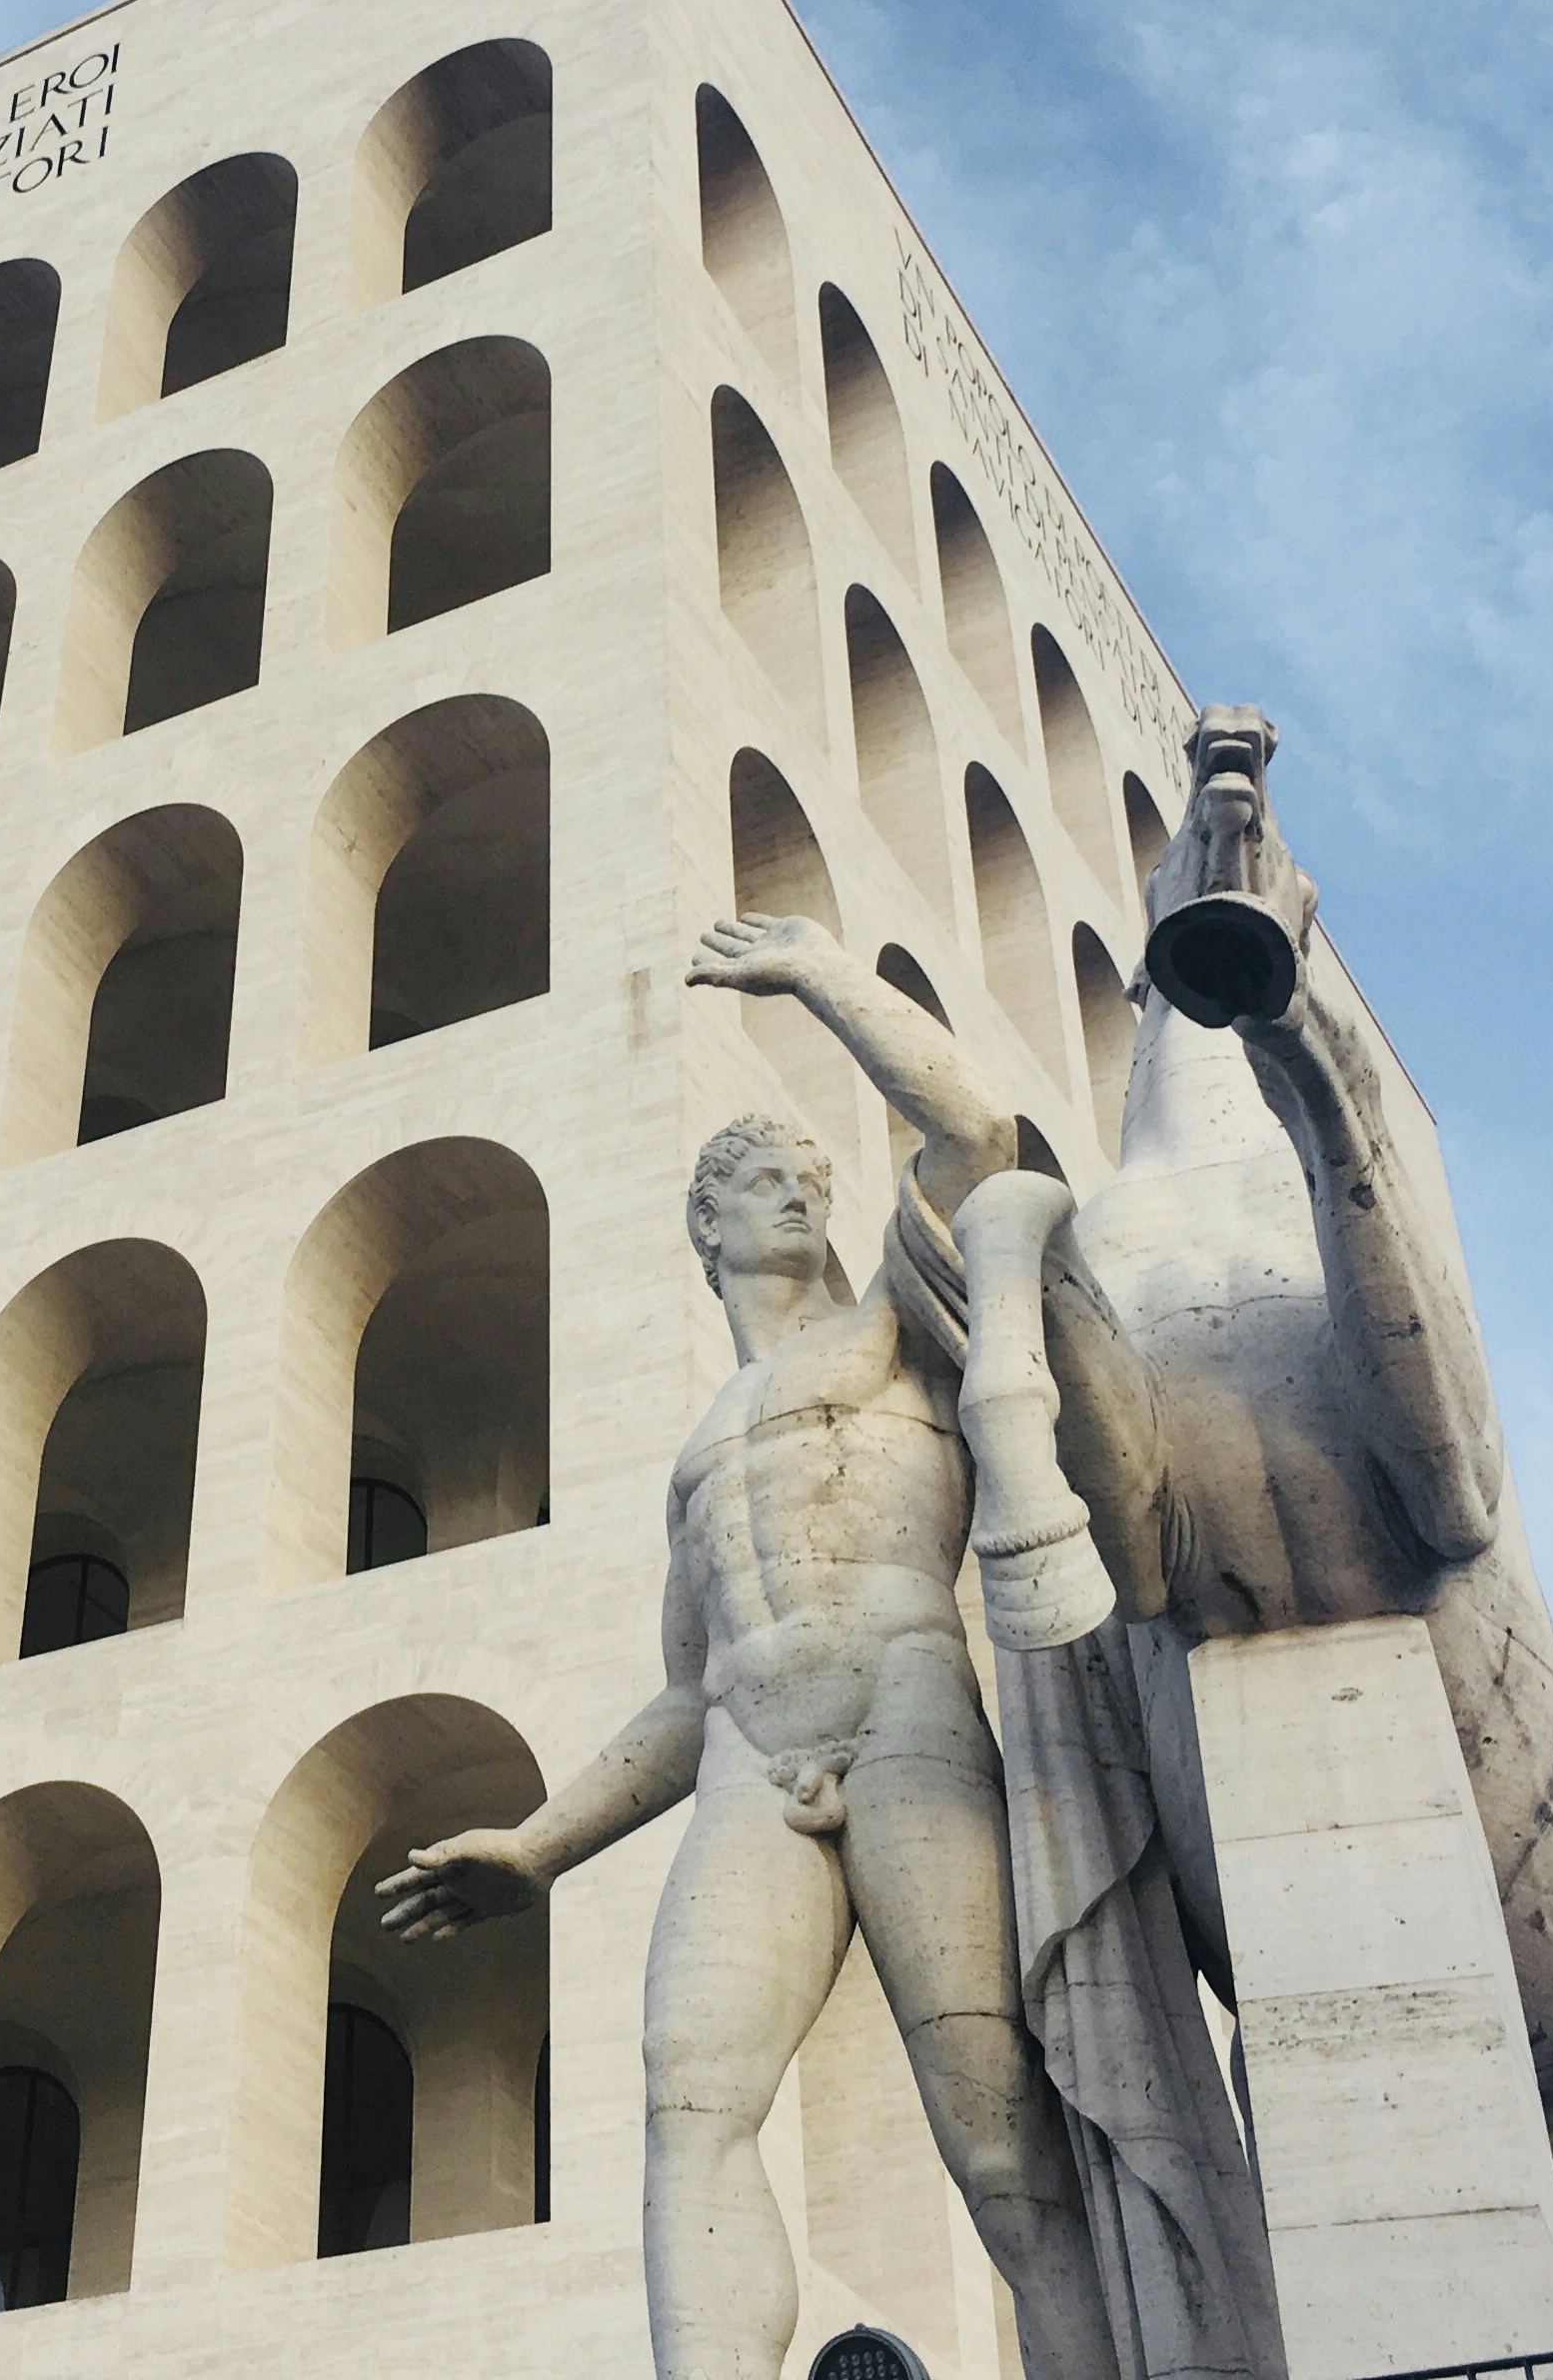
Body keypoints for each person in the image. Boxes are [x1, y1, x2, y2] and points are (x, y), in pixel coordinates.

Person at [377, 915, 1118, 2380]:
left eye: (809, 1180)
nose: (796, 1195)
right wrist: (538, 1845)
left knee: (996, 2129)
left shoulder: (896, 1330)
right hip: (746, 1760)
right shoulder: (700, 1446)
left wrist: (821, 980)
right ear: (706, 1226)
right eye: (763, 1182)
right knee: (691, 2098)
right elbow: (682, 1697)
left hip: (908, 1722)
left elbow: (983, 1132)